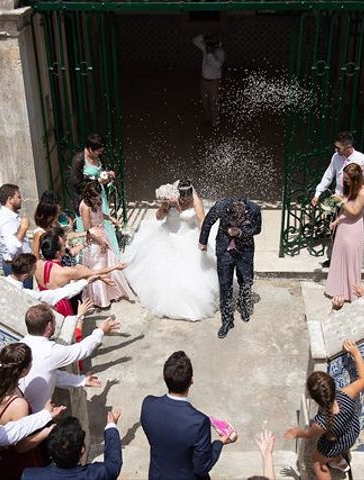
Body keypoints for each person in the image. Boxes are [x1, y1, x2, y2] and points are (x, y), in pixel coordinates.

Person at [123, 180, 219, 321]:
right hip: (167, 235)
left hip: (188, 237)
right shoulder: (170, 199)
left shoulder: (195, 201)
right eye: (183, 197)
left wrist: (203, 239)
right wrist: (166, 206)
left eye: (188, 197)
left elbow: (201, 220)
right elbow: (158, 217)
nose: (186, 200)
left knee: (191, 276)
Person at [140, 351, 237, 479]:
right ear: (191, 380)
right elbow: (202, 466)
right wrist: (220, 442)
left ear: (165, 377)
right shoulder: (199, 422)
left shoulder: (148, 404)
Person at [284, 340, 364, 479]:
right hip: (351, 433)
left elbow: (309, 434)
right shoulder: (347, 395)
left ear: (312, 397)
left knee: (317, 461)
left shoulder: (320, 423)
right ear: (334, 386)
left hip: (335, 441)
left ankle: (334, 458)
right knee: (333, 446)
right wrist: (356, 354)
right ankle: (337, 460)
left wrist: (296, 432)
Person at [19, 304, 120, 411]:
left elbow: (49, 375)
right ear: (49, 326)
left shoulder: (21, 345)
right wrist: (100, 331)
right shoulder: (50, 351)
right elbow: (82, 350)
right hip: (36, 416)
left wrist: (81, 380)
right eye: (54, 320)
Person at [199, 197, 262, 339]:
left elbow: (257, 229)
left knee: (246, 280)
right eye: (231, 222)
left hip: (245, 250)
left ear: (244, 216)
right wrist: (202, 241)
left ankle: (244, 305)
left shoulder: (254, 209)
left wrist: (240, 233)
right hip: (224, 250)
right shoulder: (220, 206)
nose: (233, 225)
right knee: (225, 285)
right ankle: (227, 320)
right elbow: (208, 222)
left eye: (237, 223)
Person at [0, 343, 49, 479]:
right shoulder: (19, 405)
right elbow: (21, 446)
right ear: (24, 370)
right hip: (16, 461)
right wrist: (46, 431)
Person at [35, 232, 124, 317]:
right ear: (58, 253)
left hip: (44, 304)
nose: (65, 246)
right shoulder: (65, 272)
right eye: (63, 246)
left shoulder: (37, 265)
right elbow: (93, 272)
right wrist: (115, 267)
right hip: (62, 306)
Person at [79, 182, 134, 308]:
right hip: (94, 239)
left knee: (108, 262)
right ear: (89, 195)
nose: (97, 199)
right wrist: (100, 242)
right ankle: (100, 299)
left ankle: (111, 293)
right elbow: (88, 229)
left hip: (102, 234)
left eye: (98, 197)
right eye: (95, 197)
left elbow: (99, 215)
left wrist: (111, 219)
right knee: (97, 265)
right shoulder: (85, 206)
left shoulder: (96, 202)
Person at [22, 411, 123, 480]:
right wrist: (111, 425)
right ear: (82, 449)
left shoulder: (30, 476)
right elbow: (114, 463)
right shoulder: (98, 474)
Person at [324, 163, 364, 304]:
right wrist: (336, 221)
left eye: (348, 179)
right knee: (339, 259)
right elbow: (344, 211)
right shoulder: (352, 190)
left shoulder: (363, 193)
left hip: (353, 229)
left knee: (350, 260)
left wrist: (341, 202)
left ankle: (352, 292)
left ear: (355, 178)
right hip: (343, 227)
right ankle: (337, 290)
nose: (346, 181)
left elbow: (355, 211)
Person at [70, 133, 119, 256]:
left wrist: (108, 174)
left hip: (99, 194)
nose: (99, 154)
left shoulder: (99, 157)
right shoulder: (79, 160)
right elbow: (76, 183)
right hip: (88, 197)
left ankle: (110, 250)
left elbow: (103, 169)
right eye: (97, 151)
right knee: (90, 223)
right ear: (90, 148)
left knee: (102, 220)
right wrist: (96, 181)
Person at [311, 131, 364, 205]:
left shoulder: (362, 159)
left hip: (354, 200)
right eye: (335, 146)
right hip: (338, 197)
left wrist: (358, 181)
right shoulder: (336, 157)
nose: (336, 150)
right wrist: (317, 194)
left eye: (338, 148)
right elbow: (328, 176)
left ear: (348, 146)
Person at [4, 253, 88, 306]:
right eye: (34, 269)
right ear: (25, 276)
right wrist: (86, 281)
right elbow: (56, 295)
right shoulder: (25, 294)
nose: (35, 271)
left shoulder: (1, 282)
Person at [0, 183, 32, 286]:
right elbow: (12, 249)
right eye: (18, 197)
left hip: (22, 264)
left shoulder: (11, 217)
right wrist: (23, 228)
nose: (21, 200)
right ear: (10, 199)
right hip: (16, 267)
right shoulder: (5, 220)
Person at [193, 34, 225, 128]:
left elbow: (218, 65)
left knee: (214, 103)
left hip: (214, 82)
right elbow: (195, 40)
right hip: (203, 81)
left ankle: (215, 123)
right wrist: (204, 37)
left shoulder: (220, 53)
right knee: (205, 101)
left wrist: (210, 55)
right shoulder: (206, 48)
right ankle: (208, 119)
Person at [33, 190, 61, 259]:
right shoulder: (39, 233)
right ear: (49, 216)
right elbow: (36, 255)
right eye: (56, 215)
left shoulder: (53, 226)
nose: (57, 217)